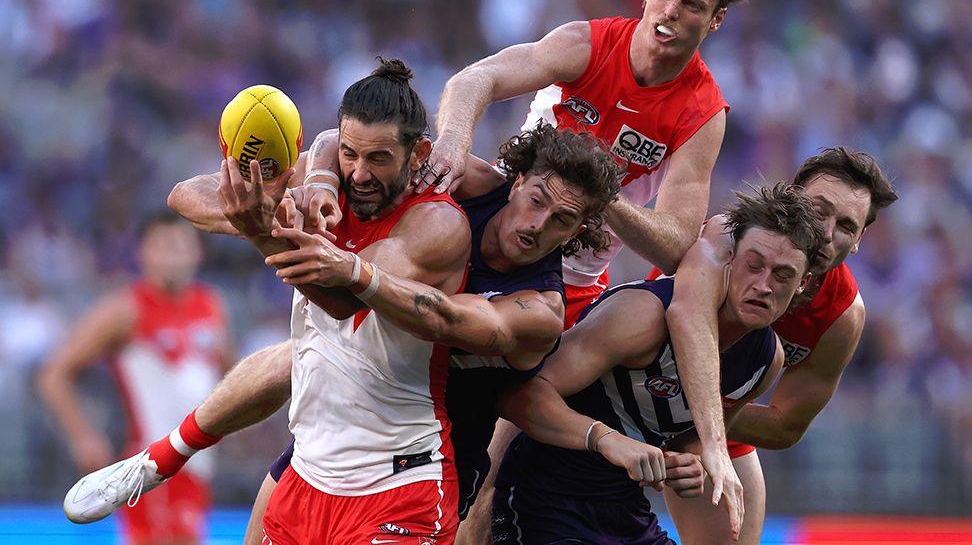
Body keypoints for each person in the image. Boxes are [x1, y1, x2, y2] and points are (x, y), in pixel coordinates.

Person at [420, 0, 758, 535]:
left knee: (483, 473)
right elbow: (474, 80)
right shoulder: (588, 44)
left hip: (567, 289)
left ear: (716, 21)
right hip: (493, 236)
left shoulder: (701, 112)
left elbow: (680, 242)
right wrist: (452, 139)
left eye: (692, 6)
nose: (669, 13)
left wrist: (603, 202)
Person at [64, 57, 474, 543]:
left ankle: (163, 457)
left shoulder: (437, 225)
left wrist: (264, 232)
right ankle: (158, 459)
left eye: (379, 159)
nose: (360, 174)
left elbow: (342, 303)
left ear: (417, 153)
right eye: (350, 154)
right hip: (307, 472)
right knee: (295, 355)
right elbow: (185, 196)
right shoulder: (324, 179)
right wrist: (263, 200)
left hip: (397, 481)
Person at [239, 124, 631, 543]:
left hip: (428, 464)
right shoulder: (470, 182)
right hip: (339, 435)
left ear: (578, 233)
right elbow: (353, 140)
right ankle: (171, 453)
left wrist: (355, 270)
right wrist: (319, 179)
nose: (537, 224)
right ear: (516, 182)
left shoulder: (540, 309)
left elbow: (441, 319)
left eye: (562, 220)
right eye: (536, 201)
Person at [491, 183, 826, 544]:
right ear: (729, 259)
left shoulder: (765, 361)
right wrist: (605, 439)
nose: (763, 285)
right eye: (753, 265)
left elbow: (690, 438)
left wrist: (686, 463)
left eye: (782, 275)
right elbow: (517, 395)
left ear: (803, 284)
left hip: (625, 510)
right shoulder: (643, 316)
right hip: (543, 500)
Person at [659, 147, 898, 544]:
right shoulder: (728, 239)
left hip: (708, 423)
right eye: (819, 210)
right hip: (625, 384)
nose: (825, 233)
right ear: (791, 194)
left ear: (858, 240)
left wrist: (706, 420)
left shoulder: (842, 317)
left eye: (845, 226)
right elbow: (684, 318)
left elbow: (785, 425)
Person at [38, 212, 234, 545]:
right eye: (161, 246)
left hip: (199, 465)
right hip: (150, 466)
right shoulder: (125, 309)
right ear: (142, 253)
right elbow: (55, 374)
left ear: (197, 252)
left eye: (179, 246)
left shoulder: (211, 306)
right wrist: (83, 435)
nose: (171, 256)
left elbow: (228, 375)